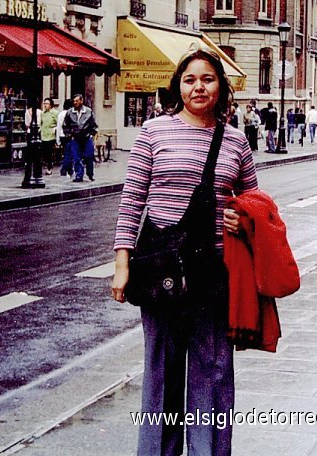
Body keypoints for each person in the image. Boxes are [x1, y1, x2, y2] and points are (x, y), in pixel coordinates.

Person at [111, 46, 258, 456]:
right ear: (178, 85)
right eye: (190, 79)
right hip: (161, 269)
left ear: (220, 87)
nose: (199, 87)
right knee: (161, 371)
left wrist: (240, 217)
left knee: (213, 373)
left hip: (215, 274)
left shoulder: (235, 142)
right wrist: (122, 262)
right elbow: (132, 199)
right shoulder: (154, 132)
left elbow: (255, 202)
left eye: (208, 79)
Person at [63, 94, 98, 182]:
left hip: (86, 137)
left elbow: (93, 124)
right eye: (74, 101)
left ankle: (90, 173)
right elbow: (65, 125)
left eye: (77, 101)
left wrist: (92, 133)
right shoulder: (69, 112)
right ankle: (79, 175)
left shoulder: (88, 111)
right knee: (76, 157)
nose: (75, 103)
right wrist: (69, 135)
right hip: (75, 137)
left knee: (89, 155)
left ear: (81, 101)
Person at [39, 98, 58, 175]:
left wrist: (55, 129)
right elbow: (41, 123)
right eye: (44, 103)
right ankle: (47, 164)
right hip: (43, 134)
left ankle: (49, 167)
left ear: (51, 105)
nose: (45, 105)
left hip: (51, 135)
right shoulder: (42, 113)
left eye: (47, 103)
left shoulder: (55, 113)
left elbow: (58, 123)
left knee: (49, 152)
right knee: (44, 152)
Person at [57, 99, 73, 176]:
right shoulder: (71, 113)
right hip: (68, 136)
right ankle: (64, 169)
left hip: (61, 135)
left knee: (67, 152)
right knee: (68, 153)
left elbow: (58, 127)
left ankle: (70, 170)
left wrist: (58, 139)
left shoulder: (60, 114)